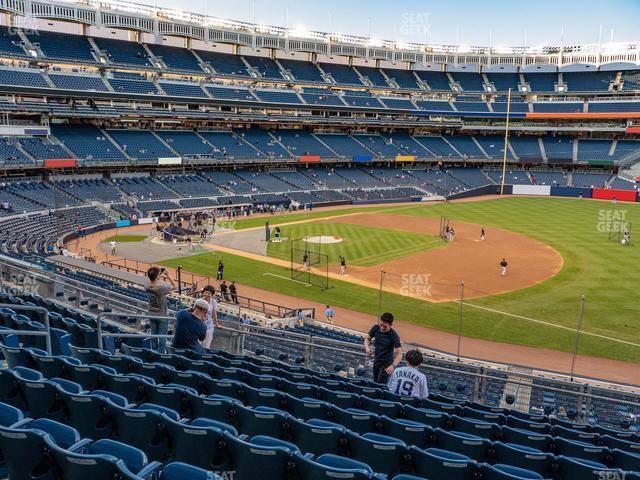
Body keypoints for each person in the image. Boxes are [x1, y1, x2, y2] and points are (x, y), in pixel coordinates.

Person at [364, 312, 402, 384]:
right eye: (381, 324)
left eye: (385, 326)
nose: (382, 328)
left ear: (390, 325)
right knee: (375, 383)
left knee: (380, 386)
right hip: (376, 361)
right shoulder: (375, 328)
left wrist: (393, 366)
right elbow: (367, 339)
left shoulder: (394, 335)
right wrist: (367, 348)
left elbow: (399, 354)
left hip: (386, 365)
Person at [145, 266, 176, 353]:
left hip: (151, 314)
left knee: (154, 335)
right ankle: (161, 353)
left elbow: (153, 279)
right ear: (157, 276)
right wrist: (168, 275)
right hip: (162, 315)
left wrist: (158, 273)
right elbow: (175, 286)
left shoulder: (146, 285)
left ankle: (154, 352)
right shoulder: (161, 288)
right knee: (162, 337)